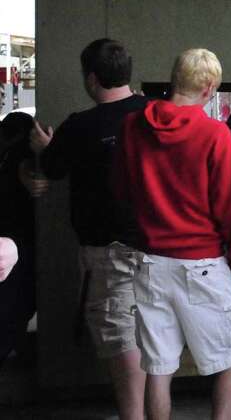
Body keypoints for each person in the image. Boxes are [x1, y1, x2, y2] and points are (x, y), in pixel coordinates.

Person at [114, 48, 231, 420]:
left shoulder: (131, 126)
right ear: (209, 88)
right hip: (202, 264)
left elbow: (123, 191)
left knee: (159, 366)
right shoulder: (213, 133)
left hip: (149, 263)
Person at [30, 38, 148, 419]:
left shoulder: (79, 127)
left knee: (121, 333)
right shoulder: (156, 114)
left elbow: (51, 169)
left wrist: (42, 149)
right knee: (152, 332)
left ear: (92, 78)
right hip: (162, 245)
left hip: (109, 250)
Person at [0, 112, 45, 368]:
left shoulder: (13, 157)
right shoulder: (21, 157)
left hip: (16, 245)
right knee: (18, 306)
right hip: (25, 243)